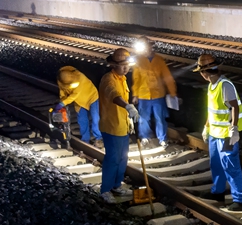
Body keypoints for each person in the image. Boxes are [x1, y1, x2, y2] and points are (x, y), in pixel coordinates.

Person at [194, 54, 242, 211]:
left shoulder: (225, 86)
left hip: (226, 135)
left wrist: (234, 129)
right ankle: (218, 192)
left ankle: (239, 199)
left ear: (205, 72)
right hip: (214, 133)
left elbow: (234, 107)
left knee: (230, 165)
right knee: (216, 164)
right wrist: (206, 127)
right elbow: (211, 110)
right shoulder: (212, 86)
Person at [98, 48, 138, 204]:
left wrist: (128, 119)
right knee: (113, 158)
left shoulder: (122, 79)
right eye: (123, 66)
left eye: (128, 65)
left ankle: (116, 185)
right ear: (114, 65)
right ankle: (105, 190)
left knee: (123, 158)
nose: (126, 68)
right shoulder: (108, 79)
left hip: (122, 126)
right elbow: (113, 95)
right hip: (111, 126)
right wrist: (127, 106)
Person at [131, 39, 178, 148]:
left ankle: (163, 139)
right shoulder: (139, 61)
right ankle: (145, 137)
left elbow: (167, 77)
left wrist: (172, 92)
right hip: (143, 95)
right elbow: (136, 79)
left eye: (147, 48)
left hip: (158, 95)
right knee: (143, 118)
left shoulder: (159, 60)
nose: (146, 50)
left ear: (151, 48)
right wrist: (135, 94)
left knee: (160, 118)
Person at [56, 66, 101, 146]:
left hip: (92, 98)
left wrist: (63, 103)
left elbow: (75, 95)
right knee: (82, 121)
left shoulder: (80, 78)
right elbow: (62, 92)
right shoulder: (61, 81)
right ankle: (85, 140)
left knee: (95, 119)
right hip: (79, 102)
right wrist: (62, 101)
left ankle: (99, 138)